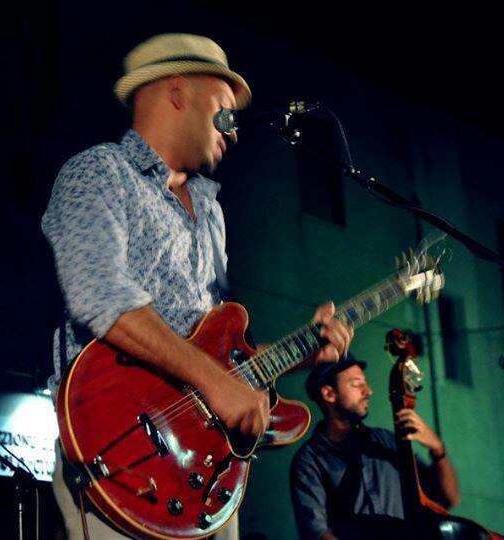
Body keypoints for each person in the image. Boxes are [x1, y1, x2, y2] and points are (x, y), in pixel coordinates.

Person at [41, 33, 354, 540]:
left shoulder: (210, 211)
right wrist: (216, 383)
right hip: (123, 456)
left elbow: (218, 352)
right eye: (224, 108)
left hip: (204, 473)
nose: (235, 129)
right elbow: (99, 294)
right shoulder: (99, 171)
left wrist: (304, 352)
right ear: (177, 91)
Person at [289, 356, 460, 540]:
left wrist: (437, 448)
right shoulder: (309, 460)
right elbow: (317, 532)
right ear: (329, 394)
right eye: (356, 384)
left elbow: (449, 498)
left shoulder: (386, 441)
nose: (368, 391)